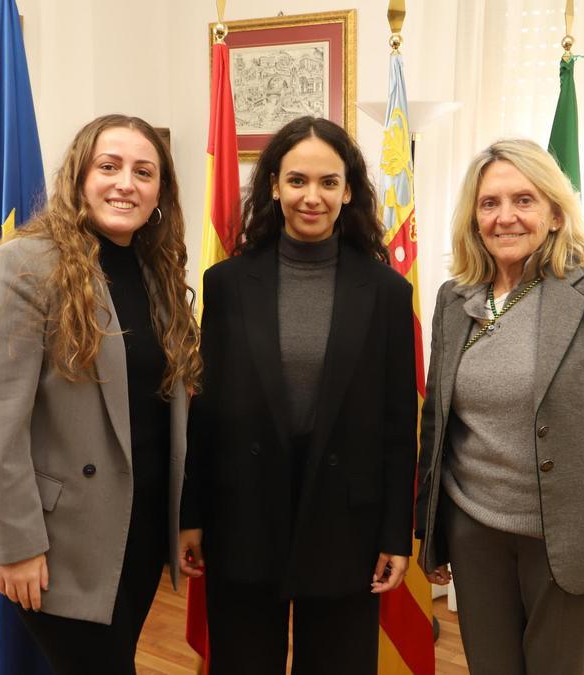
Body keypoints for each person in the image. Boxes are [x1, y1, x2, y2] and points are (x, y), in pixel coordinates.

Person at [0, 114, 200, 675]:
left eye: (143, 172)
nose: (126, 183)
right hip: (57, 539)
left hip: (139, 526)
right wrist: (16, 545)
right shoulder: (24, 264)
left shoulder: (155, 271)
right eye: (109, 166)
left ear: (161, 193)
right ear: (79, 176)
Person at [414, 139, 584, 674]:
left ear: (555, 213)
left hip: (572, 534)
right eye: (489, 203)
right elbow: (437, 421)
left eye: (523, 200)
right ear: (474, 216)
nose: (505, 217)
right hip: (475, 529)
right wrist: (431, 528)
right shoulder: (453, 297)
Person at [178, 116, 417, 675]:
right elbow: (206, 414)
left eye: (328, 182)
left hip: (346, 524)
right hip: (244, 515)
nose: (312, 197)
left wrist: (393, 534)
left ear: (349, 189)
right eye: (297, 181)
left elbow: (397, 424)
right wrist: (192, 513)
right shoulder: (228, 284)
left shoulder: (386, 292)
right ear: (273, 187)